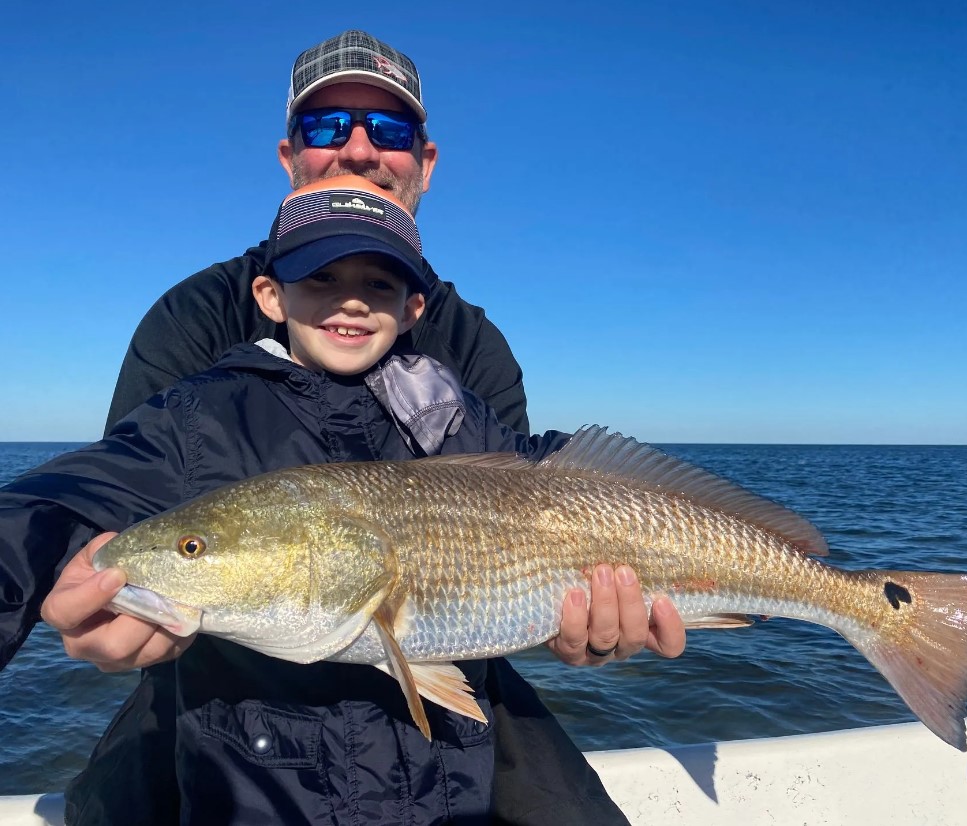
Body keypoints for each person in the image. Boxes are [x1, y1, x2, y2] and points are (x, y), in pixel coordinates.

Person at [0, 30, 685, 824]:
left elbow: (518, 516)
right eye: (328, 128)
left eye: (388, 130)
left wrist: (581, 621)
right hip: (233, 681)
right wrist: (89, 594)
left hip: (435, 656)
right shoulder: (194, 324)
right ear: (290, 156)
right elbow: (100, 496)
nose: (358, 150)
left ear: (425, 163)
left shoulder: (471, 345)